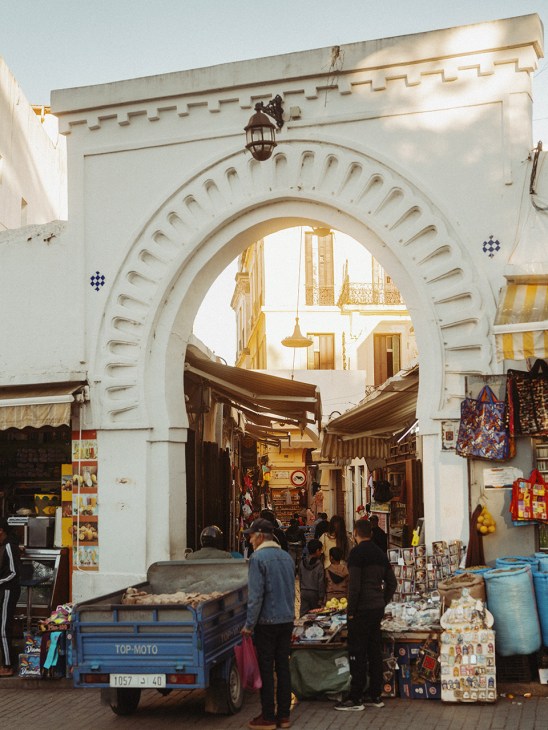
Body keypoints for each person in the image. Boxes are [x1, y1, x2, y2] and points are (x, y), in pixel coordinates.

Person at [334, 519, 397, 712]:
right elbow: (392, 583)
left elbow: (354, 587)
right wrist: (382, 600)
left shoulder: (356, 554)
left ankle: (356, 698)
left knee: (357, 652)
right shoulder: (380, 553)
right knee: (374, 650)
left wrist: (351, 611)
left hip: (361, 610)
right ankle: (375, 695)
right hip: (376, 608)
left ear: (355, 533)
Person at [242, 518, 295, 730]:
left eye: (251, 535)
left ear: (261, 536)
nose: (249, 539)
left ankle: (268, 716)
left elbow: (256, 596)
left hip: (266, 622)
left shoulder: (258, 559)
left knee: (266, 669)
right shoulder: (286, 557)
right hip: (286, 619)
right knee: (283, 667)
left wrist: (248, 624)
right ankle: (284, 716)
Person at [0, 517, 22, 677]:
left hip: (7, 590)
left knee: (3, 627)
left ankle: (7, 665)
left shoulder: (8, 547)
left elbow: (13, 572)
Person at [298, 538, 325, 616]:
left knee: (303, 614)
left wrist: (301, 589)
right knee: (316, 614)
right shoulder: (319, 564)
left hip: (304, 591)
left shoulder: (302, 562)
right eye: (320, 550)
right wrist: (321, 597)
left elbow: (300, 578)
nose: (321, 552)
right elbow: (320, 582)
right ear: (317, 550)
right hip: (314, 593)